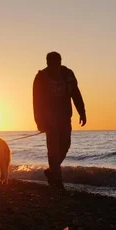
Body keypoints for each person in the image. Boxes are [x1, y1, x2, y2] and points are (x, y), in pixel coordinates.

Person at [33, 51, 86, 189]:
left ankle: (51, 172)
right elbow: (36, 102)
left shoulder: (68, 74)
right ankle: (57, 181)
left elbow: (76, 93)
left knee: (65, 145)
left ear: (60, 62)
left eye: (57, 63)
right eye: (51, 63)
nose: (55, 66)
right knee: (53, 149)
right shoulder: (41, 77)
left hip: (65, 116)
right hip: (49, 118)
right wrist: (39, 121)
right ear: (47, 63)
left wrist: (82, 112)